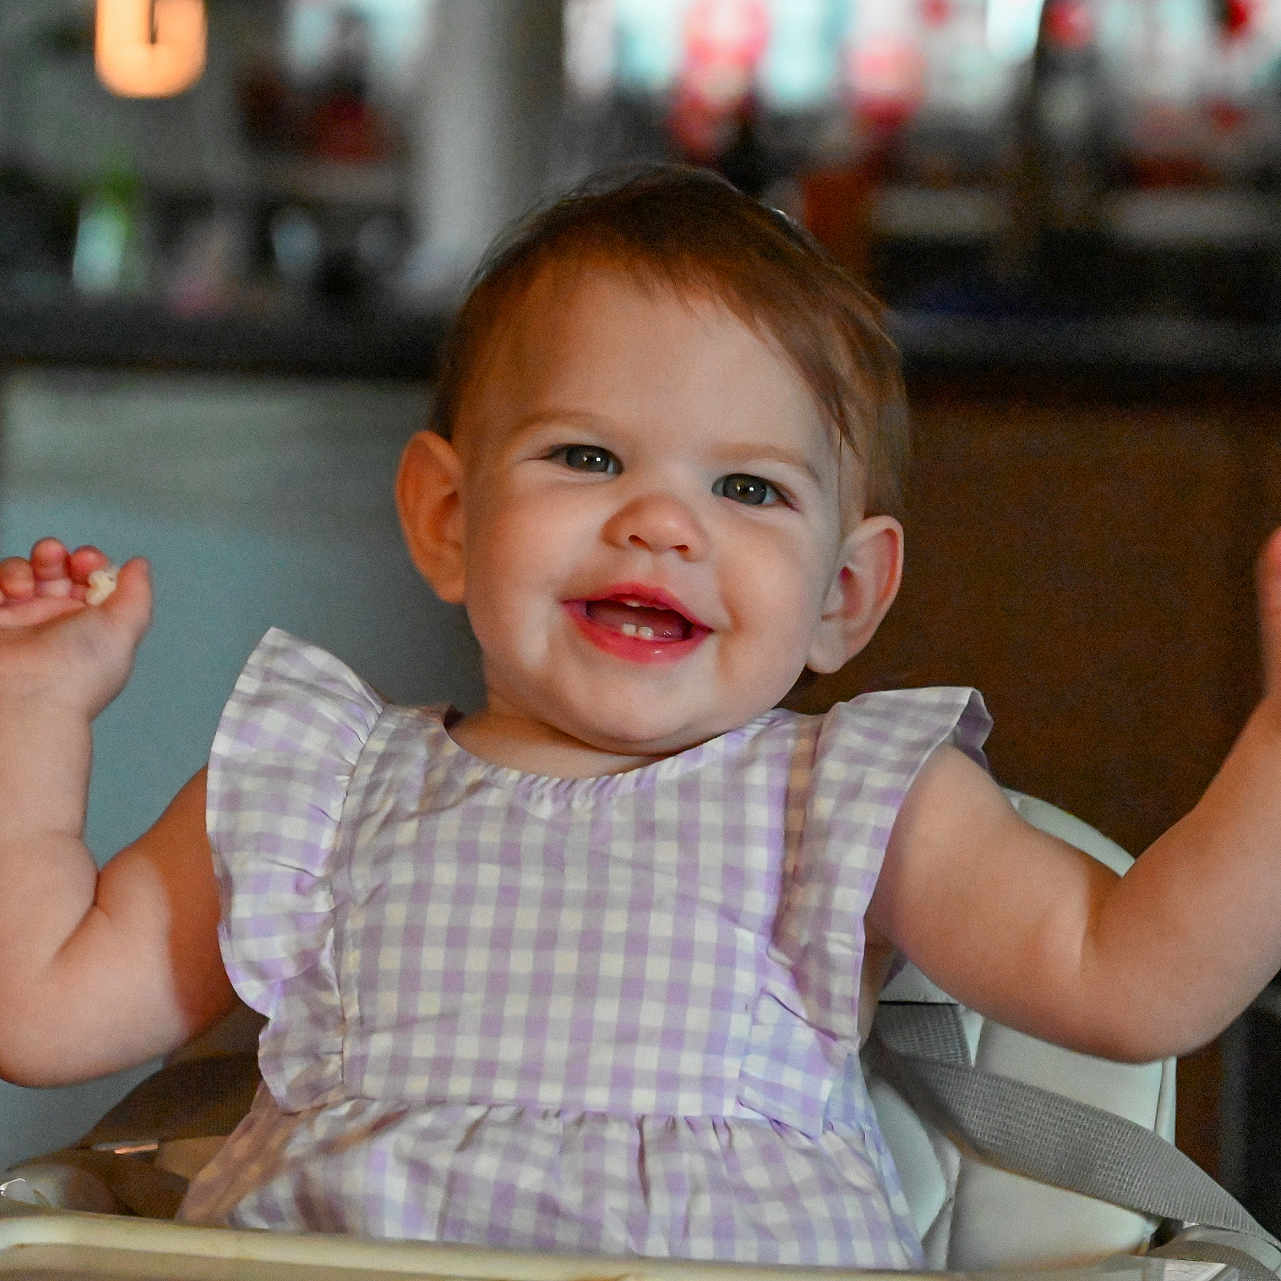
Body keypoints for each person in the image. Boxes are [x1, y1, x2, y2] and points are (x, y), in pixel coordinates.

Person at [2, 165, 1280, 1269]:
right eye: (588, 458)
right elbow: (40, 1009)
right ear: (449, 517)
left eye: (748, 488)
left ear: (842, 595)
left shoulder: (846, 799)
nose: (661, 522)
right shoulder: (318, 789)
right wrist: (35, 708)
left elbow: (1133, 980)